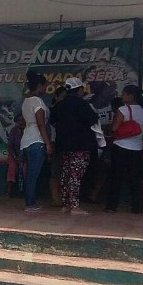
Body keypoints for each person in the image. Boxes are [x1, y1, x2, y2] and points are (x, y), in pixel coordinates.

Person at [50, 77, 99, 215]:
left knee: (66, 175)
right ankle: (74, 206)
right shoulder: (82, 104)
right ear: (79, 90)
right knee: (75, 176)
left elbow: (52, 120)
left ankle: (66, 204)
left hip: (63, 145)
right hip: (80, 146)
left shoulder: (59, 105)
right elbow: (93, 120)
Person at [105, 85, 143, 214]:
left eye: (124, 94)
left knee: (116, 177)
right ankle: (137, 206)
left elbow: (114, 128)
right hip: (137, 147)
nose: (122, 96)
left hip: (121, 146)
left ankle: (112, 206)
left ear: (131, 96)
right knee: (135, 178)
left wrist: (107, 128)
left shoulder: (123, 110)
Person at [20, 71, 52, 212]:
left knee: (30, 174)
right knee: (33, 175)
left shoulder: (26, 101)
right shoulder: (37, 102)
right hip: (36, 140)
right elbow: (41, 124)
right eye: (44, 86)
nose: (45, 89)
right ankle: (30, 203)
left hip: (26, 140)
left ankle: (30, 201)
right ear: (39, 86)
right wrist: (48, 143)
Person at [48, 86, 67, 207]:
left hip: (65, 144)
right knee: (55, 171)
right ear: (56, 97)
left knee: (63, 172)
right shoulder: (52, 111)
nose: (64, 100)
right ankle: (55, 198)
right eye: (63, 97)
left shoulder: (67, 111)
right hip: (54, 143)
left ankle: (61, 197)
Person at [5, 114, 26, 197]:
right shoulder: (14, 130)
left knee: (25, 168)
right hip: (14, 155)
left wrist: (24, 157)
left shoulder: (29, 131)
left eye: (23, 120)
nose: (21, 122)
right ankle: (9, 190)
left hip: (26, 156)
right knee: (12, 168)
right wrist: (15, 157)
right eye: (19, 120)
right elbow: (9, 146)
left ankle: (25, 191)